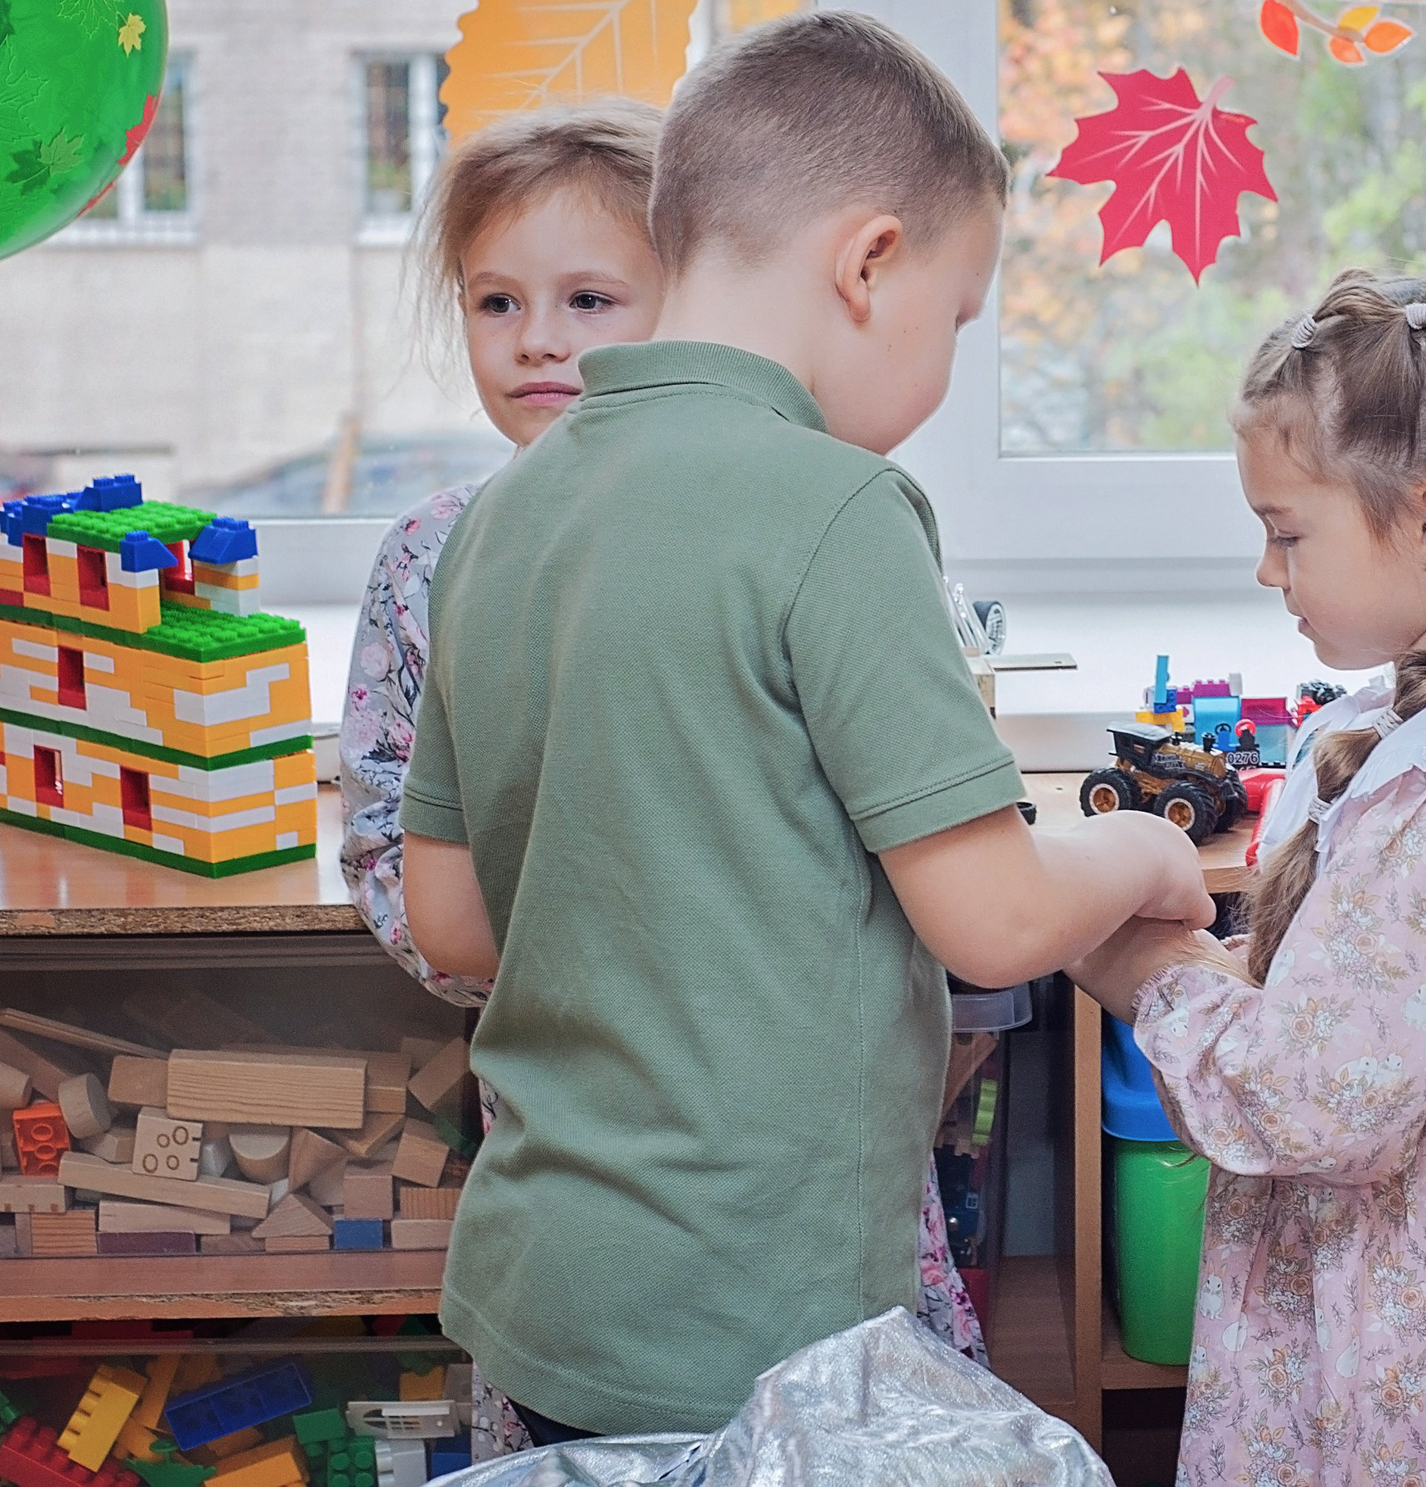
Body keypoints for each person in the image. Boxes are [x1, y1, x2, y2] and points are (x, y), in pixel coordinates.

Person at [395, 12, 1213, 1441]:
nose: (948, 363)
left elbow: (453, 920)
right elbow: (996, 920)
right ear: (869, 263)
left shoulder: (502, 518)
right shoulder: (838, 507)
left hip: (540, 1291)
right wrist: (1144, 850)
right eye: (956, 321)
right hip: (753, 1318)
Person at [334, 100, 991, 1446]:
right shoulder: (436, 555)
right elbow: (403, 854)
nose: (540, 338)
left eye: (589, 295)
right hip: (623, 1156)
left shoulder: (812, 515)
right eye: (496, 301)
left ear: (690, 292)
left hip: (743, 1190)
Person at [1072, 272, 1426, 1486]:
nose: (1267, 572)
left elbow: (1315, 1100)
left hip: (1408, 1291)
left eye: (1287, 534)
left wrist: (1148, 976)